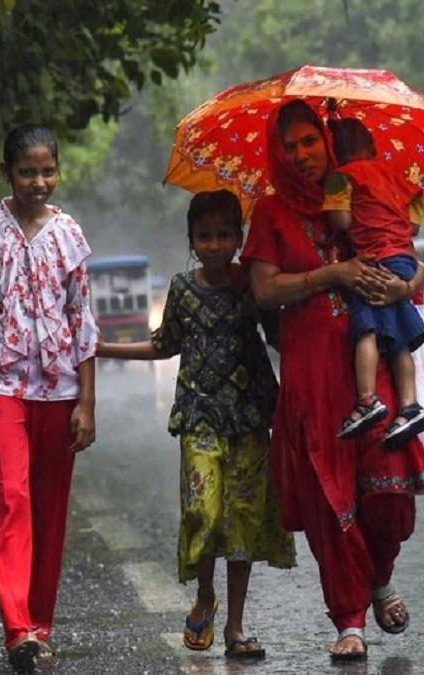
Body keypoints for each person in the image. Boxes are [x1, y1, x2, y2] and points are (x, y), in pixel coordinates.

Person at [241, 100, 424, 662]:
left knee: (389, 488)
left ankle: (379, 576)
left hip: (373, 376)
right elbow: (264, 291)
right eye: (291, 146)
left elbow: (409, 261)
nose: (302, 155)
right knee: (332, 498)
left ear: (328, 142)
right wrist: (333, 273)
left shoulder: (358, 192)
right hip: (314, 377)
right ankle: (349, 617)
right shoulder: (271, 214)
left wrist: (405, 286)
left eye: (310, 142)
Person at [97, 189, 296, 660]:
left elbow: (282, 334)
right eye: (204, 236)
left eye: (224, 234)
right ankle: (205, 594)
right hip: (199, 419)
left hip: (249, 417)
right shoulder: (183, 290)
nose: (214, 244)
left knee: (243, 521)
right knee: (202, 513)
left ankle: (235, 626)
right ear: (191, 240)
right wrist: (104, 349)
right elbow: (164, 345)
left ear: (238, 238)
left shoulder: (253, 285)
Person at [0, 124, 98, 671]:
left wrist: (87, 403)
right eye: (27, 172)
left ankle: (40, 623)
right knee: (13, 497)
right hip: (1, 384)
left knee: (51, 508)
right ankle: (16, 628)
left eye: (47, 171)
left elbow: (82, 323)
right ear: (6, 171)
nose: (39, 182)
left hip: (60, 389)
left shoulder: (71, 236)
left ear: (58, 171)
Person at [322, 118, 424, 446]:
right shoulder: (400, 178)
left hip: (373, 261)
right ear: (372, 145)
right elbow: (413, 227)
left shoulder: (341, 177)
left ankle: (367, 400)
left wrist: (340, 204)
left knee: (366, 331)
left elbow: (341, 221)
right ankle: (410, 405)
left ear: (336, 155)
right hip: (403, 261)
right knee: (397, 339)